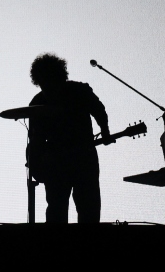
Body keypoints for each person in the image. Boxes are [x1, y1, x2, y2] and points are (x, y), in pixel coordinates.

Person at [26, 53, 112, 223]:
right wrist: (36, 164)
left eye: (48, 82)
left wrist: (105, 130)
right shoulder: (37, 103)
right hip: (59, 163)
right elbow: (35, 140)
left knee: (87, 209)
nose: (46, 88)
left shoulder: (79, 91)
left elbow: (99, 110)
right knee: (59, 211)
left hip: (82, 160)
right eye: (43, 84)